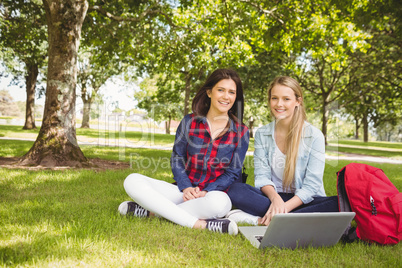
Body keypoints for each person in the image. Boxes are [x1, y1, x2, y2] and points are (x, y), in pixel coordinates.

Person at [119, 69, 249, 235]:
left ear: (236, 97)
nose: (226, 96)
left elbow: (232, 172)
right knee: (132, 180)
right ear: (209, 92)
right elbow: (177, 159)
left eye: (231, 92)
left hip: (212, 196)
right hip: (183, 193)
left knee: (219, 204)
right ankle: (200, 224)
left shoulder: (241, 131)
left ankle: (153, 212)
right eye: (221, 90)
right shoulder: (189, 121)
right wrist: (187, 188)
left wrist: (206, 191)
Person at [226, 76, 338, 226]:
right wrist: (276, 200)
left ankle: (267, 219)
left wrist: (283, 208)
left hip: (303, 200)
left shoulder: (314, 135)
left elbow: (312, 186)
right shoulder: (262, 134)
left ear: (298, 101)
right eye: (274, 98)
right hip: (272, 198)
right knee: (236, 190)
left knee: (338, 203)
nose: (279, 104)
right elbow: (262, 177)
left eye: (286, 99)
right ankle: (295, 220)